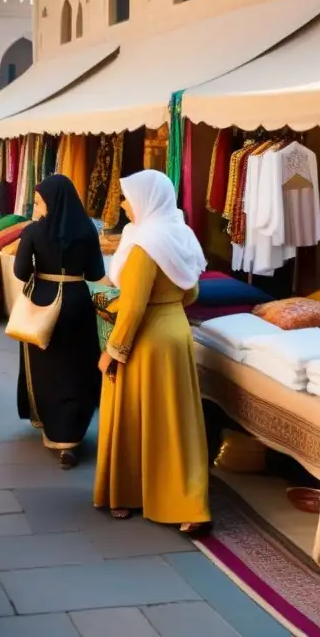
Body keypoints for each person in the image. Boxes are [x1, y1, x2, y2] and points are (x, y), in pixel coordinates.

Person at [94, 170, 210, 534]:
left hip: (146, 338)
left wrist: (113, 351)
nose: (125, 205)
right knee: (177, 423)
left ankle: (128, 494)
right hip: (176, 331)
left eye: (128, 198)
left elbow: (133, 307)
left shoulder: (145, 243)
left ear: (146, 199)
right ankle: (188, 502)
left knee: (133, 414)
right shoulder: (180, 233)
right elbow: (192, 292)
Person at [13, 174, 105, 470]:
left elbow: (20, 270)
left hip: (44, 300)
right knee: (77, 367)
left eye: (39, 201)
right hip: (78, 301)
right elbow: (95, 272)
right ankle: (73, 435)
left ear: (52, 202)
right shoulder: (87, 228)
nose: (36, 206)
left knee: (46, 367)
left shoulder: (34, 231)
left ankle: (54, 432)